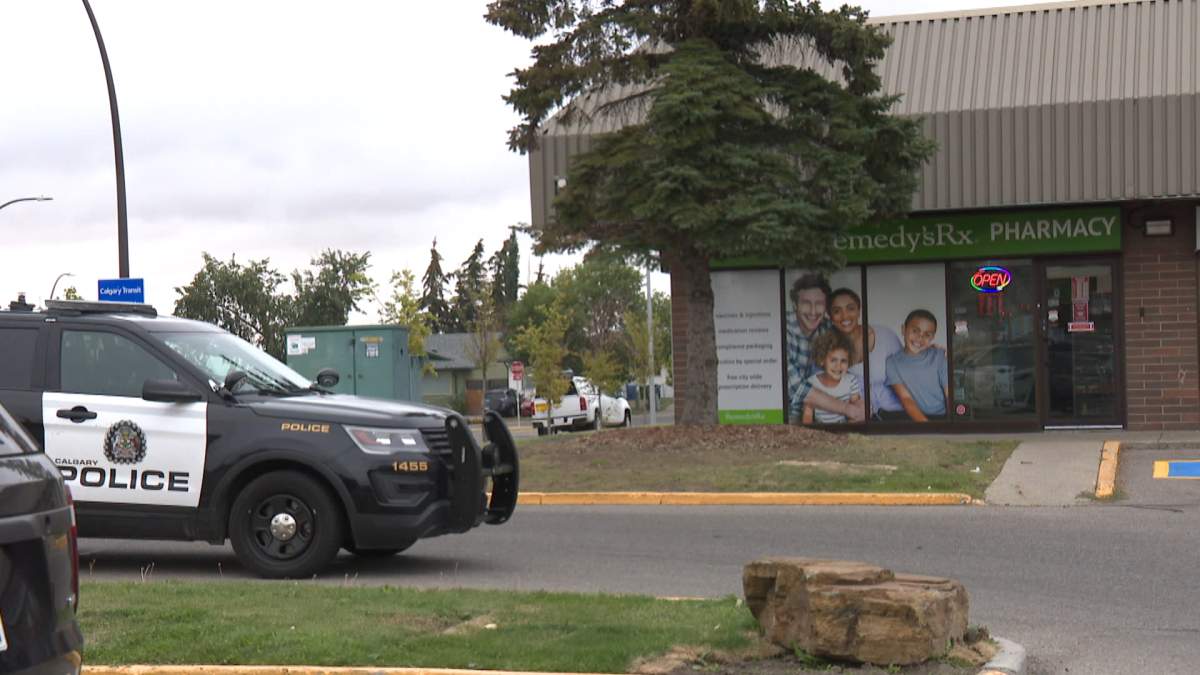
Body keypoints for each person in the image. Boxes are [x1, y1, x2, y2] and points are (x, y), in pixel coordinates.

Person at [787, 274, 866, 424]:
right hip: (788, 415)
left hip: (827, 414)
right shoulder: (782, 329)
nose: (812, 311)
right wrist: (847, 409)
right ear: (795, 304)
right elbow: (798, 389)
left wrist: (862, 407)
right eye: (805, 303)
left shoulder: (828, 328)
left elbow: (846, 367)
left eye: (819, 303)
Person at [827, 288, 904, 418]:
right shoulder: (827, 347)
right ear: (830, 317)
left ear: (859, 310)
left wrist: (930, 352)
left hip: (897, 413)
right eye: (837, 311)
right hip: (859, 418)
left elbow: (908, 369)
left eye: (850, 308)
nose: (845, 316)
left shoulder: (885, 336)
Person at [884, 309, 949, 422]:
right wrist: (925, 425)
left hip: (944, 415)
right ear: (903, 330)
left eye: (927, 335)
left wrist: (951, 422)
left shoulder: (939, 356)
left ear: (932, 338)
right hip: (915, 418)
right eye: (915, 331)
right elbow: (906, 398)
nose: (920, 338)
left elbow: (949, 393)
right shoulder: (892, 363)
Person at [801, 331, 861, 425]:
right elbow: (807, 415)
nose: (838, 366)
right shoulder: (811, 383)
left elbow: (857, 409)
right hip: (821, 431)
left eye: (843, 361)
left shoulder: (851, 381)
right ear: (821, 360)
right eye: (833, 360)